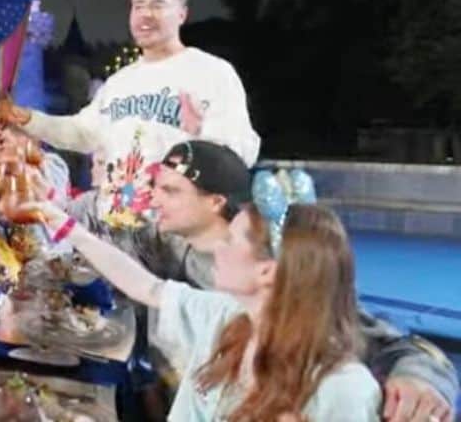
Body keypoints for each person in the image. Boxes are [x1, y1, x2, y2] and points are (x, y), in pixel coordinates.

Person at [37, 141, 457, 421]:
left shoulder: (339, 381)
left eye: (170, 190)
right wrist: (60, 221)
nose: (152, 200)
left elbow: (389, 342)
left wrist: (421, 377)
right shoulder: (220, 306)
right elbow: (143, 281)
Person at [0, 0, 260, 228]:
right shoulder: (119, 83)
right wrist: (28, 119)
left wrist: (199, 148)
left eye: (158, 5)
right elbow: (82, 132)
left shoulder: (211, 72)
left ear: (182, 14)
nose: (146, 14)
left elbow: (237, 151)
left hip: (176, 230)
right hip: (118, 228)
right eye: (138, 6)